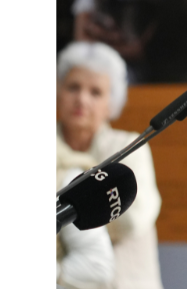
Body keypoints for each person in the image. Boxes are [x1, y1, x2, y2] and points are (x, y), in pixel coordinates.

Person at [57, 41, 163, 289]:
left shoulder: (129, 147)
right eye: (73, 87)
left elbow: (131, 220)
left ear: (111, 103)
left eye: (95, 92)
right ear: (58, 91)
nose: (82, 99)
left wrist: (68, 177)